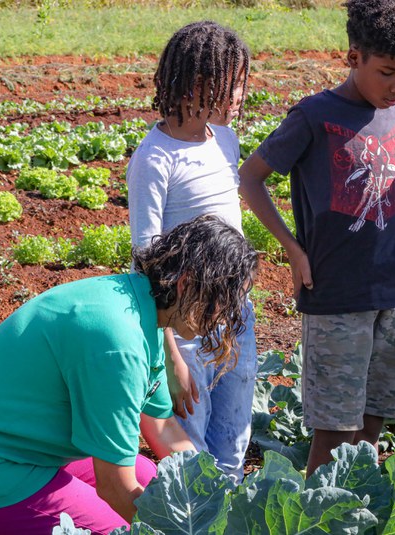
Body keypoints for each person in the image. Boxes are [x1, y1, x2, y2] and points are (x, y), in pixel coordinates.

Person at [0, 214, 258, 534]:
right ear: (186, 284)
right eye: (224, 302)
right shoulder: (117, 344)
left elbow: (162, 427)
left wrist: (214, 501)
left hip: (13, 440)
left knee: (150, 477)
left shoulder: (140, 306)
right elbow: (116, 488)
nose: (223, 318)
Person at [239, 0, 395, 477]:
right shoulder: (314, 115)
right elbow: (250, 178)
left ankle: (353, 507)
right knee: (334, 427)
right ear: (353, 57)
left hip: (393, 287)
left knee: (374, 416)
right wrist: (292, 248)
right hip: (336, 291)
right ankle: (317, 513)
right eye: (388, 72)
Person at [126, 20, 257, 485]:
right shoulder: (154, 158)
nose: (241, 94)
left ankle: (232, 507)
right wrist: (172, 359)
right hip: (184, 322)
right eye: (234, 83)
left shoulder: (223, 140)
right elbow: (146, 264)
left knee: (236, 427)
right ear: (198, 83)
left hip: (236, 310)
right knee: (192, 434)